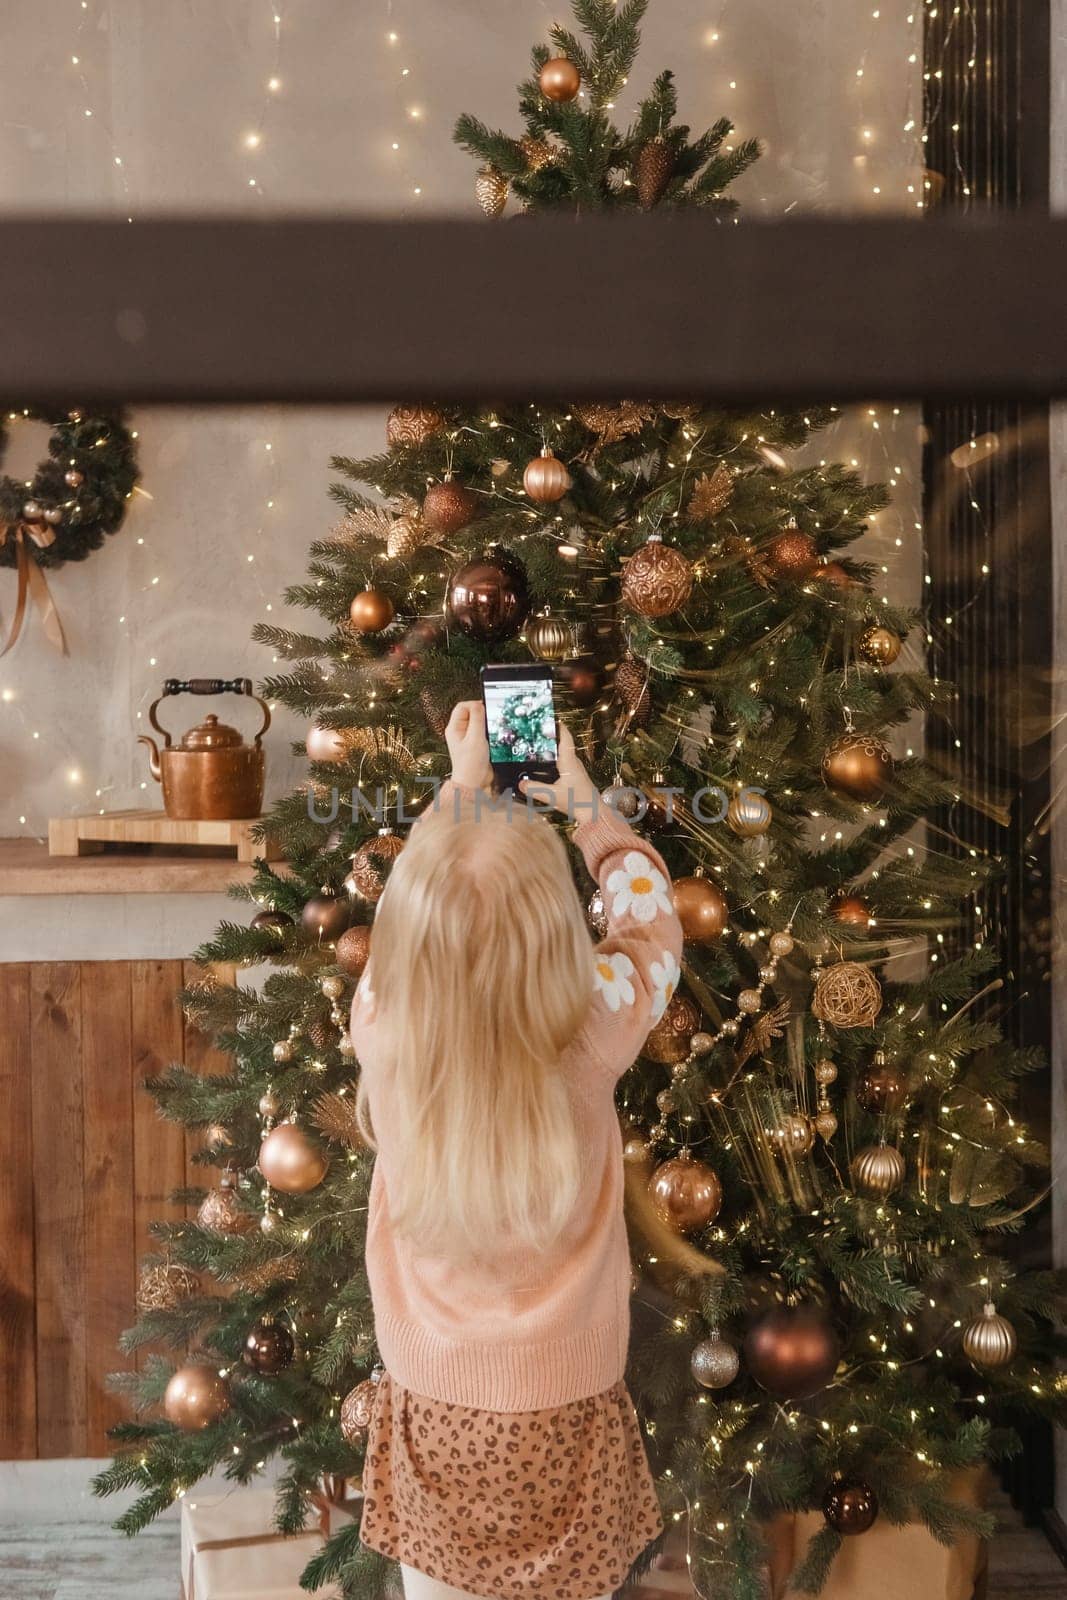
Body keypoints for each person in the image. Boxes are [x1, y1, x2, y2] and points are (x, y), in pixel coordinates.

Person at [351, 701, 685, 1600]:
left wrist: (460, 791)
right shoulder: (596, 1016)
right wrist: (585, 809)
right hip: (568, 1407)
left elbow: (400, 920)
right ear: (554, 934)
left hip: (431, 1404)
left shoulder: (383, 1021)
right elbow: (653, 926)